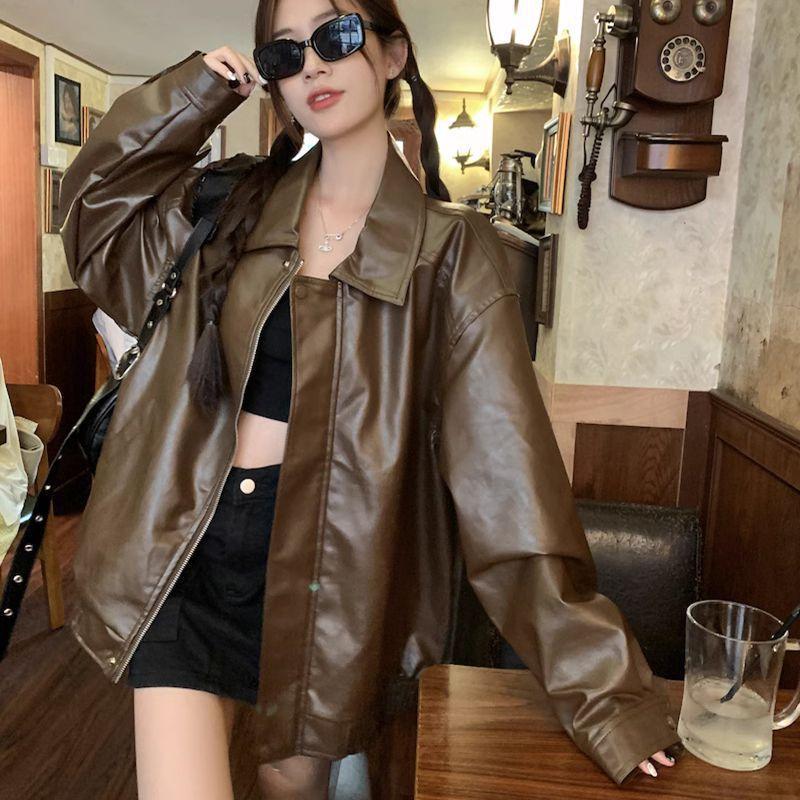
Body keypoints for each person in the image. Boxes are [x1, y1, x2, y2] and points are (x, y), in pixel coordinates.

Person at [58, 1, 682, 797]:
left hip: (328, 575)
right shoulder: (230, 207)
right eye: (284, 53)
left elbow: (507, 483)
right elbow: (95, 222)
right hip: (187, 541)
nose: (312, 64)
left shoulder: (450, 254)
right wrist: (192, 95)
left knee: (293, 787)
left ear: (392, 54)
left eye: (337, 34)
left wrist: (608, 697)